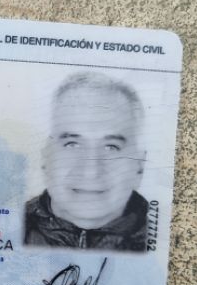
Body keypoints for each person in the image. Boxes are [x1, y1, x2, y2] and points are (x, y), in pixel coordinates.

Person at [24, 72, 150, 251]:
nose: (91, 171)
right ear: (46, 159)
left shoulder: (165, 237)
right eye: (72, 144)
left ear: (139, 167)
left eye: (111, 147)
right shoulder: (6, 227)